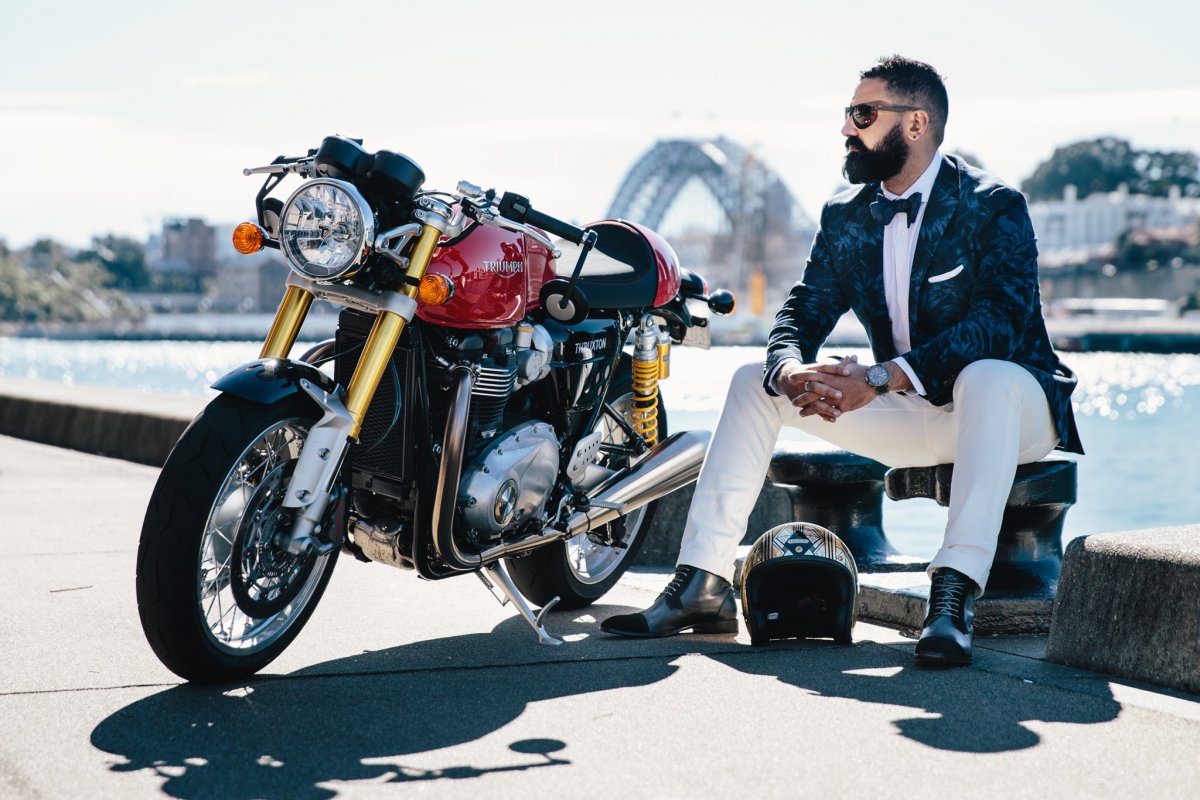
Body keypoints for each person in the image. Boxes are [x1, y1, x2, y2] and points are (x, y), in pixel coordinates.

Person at [601, 55, 1084, 664]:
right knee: (755, 381)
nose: (847, 129)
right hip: (913, 409)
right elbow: (802, 309)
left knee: (986, 376)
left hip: (1015, 410)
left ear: (915, 124)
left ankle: (952, 598)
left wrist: (881, 378)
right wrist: (791, 368)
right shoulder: (845, 214)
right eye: (847, 114)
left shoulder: (994, 205)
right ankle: (702, 583)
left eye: (864, 113)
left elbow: (1000, 325)